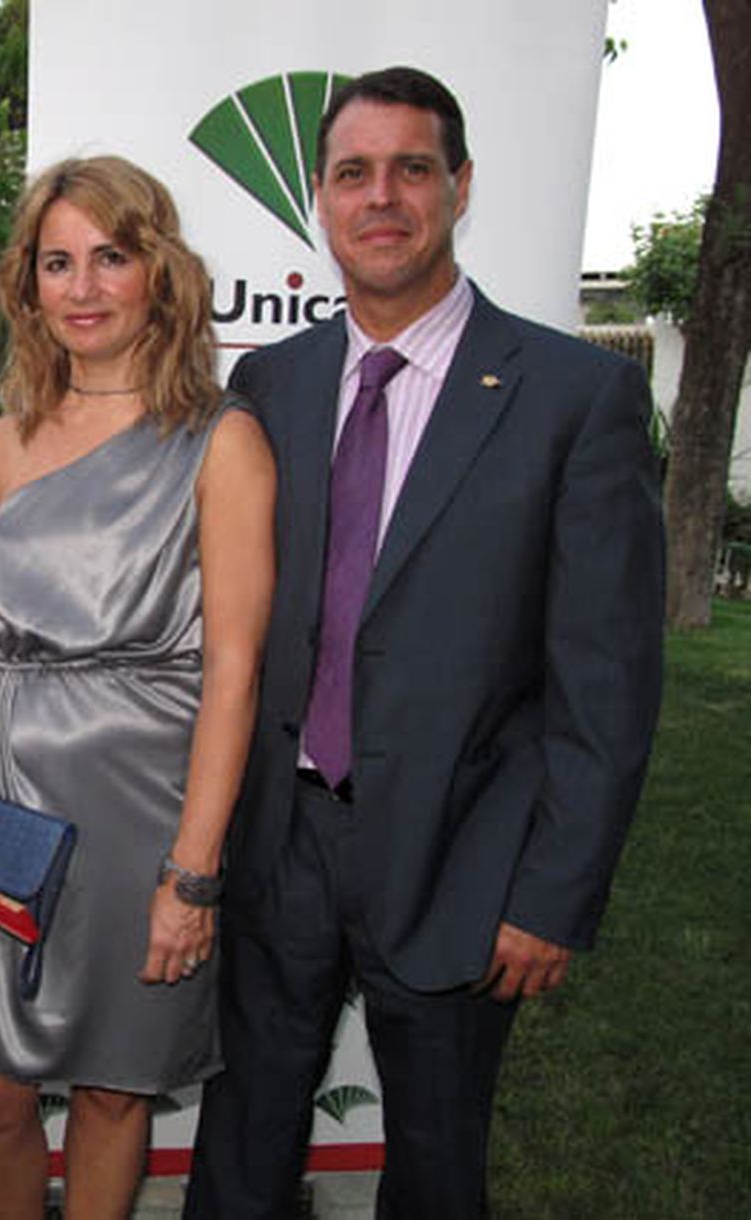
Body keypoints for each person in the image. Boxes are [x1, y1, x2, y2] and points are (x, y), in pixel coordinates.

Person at [182, 66, 665, 1219]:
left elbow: (604, 680)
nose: (381, 196)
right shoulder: (268, 382)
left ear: (458, 188)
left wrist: (551, 894)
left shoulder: (572, 395)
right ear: (321, 198)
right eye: (353, 172)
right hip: (281, 840)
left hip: (464, 852)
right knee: (241, 1145)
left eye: (411, 169)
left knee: (439, 1168)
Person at [0, 155, 275, 1218]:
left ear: (159, 271)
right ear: (29, 286)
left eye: (111, 256)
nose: (85, 286)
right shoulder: (7, 441)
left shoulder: (222, 440)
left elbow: (234, 667)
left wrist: (191, 875)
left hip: (144, 804)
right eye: (57, 262)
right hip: (1, 796)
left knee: (113, 1087)